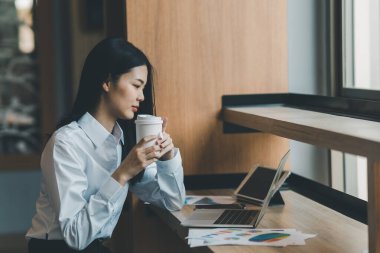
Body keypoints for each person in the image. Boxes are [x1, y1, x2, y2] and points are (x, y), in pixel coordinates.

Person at [26, 37, 186, 253]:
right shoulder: (66, 143)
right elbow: (76, 236)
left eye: (143, 88)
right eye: (136, 85)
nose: (141, 96)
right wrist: (122, 174)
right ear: (107, 82)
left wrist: (168, 158)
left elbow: (173, 202)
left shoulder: (122, 141)